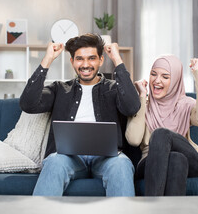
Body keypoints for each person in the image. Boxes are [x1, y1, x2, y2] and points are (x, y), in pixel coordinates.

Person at [19, 33, 141, 196]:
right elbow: (28, 104)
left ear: (101, 60)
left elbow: (132, 107)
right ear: (72, 61)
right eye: (79, 59)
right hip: (68, 159)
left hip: (108, 159)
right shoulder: (59, 89)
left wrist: (117, 60)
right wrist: (47, 60)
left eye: (91, 58)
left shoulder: (114, 88)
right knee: (54, 162)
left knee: (122, 164)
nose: (85, 64)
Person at [125, 55, 198, 196]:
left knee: (161, 134)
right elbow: (134, 140)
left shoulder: (186, 104)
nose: (157, 80)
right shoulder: (142, 106)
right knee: (176, 159)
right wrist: (141, 96)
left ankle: (151, 206)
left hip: (191, 162)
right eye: (153, 74)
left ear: (176, 81)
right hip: (149, 161)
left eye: (165, 77)